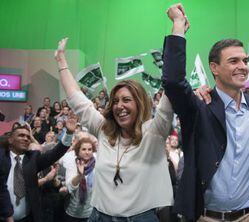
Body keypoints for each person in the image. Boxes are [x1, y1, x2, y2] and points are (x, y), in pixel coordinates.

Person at [163, 4, 249, 221]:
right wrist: (178, 27)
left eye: (244, 60)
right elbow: (173, 81)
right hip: (207, 217)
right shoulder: (200, 106)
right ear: (214, 68)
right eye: (233, 61)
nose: (242, 66)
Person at [55, 37, 174, 221]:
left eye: (127, 100)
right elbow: (77, 100)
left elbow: (172, 89)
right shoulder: (104, 130)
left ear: (140, 104)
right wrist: (61, 61)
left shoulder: (155, 131)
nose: (119, 106)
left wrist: (177, 33)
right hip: (99, 216)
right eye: (116, 101)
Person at [0, 119, 75, 222]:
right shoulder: (1, 158)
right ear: (10, 140)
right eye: (21, 135)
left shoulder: (32, 159)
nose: (26, 139)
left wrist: (69, 133)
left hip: (27, 218)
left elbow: (55, 153)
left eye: (28, 137)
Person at [64, 137, 97, 222]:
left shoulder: (97, 164)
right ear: (78, 151)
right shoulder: (72, 164)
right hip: (73, 212)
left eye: (90, 149)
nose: (87, 152)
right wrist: (79, 175)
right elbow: (69, 187)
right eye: (84, 149)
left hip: (91, 212)